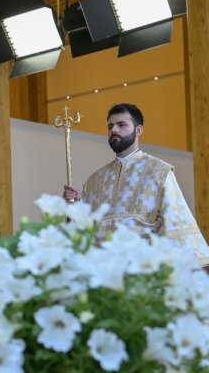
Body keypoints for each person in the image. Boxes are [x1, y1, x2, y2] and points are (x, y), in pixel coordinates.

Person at [63, 103, 209, 265]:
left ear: (138, 130)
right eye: (110, 126)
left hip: (144, 271)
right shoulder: (95, 181)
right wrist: (74, 207)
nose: (114, 130)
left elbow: (175, 222)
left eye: (121, 125)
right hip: (104, 272)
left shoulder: (159, 172)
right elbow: (85, 231)